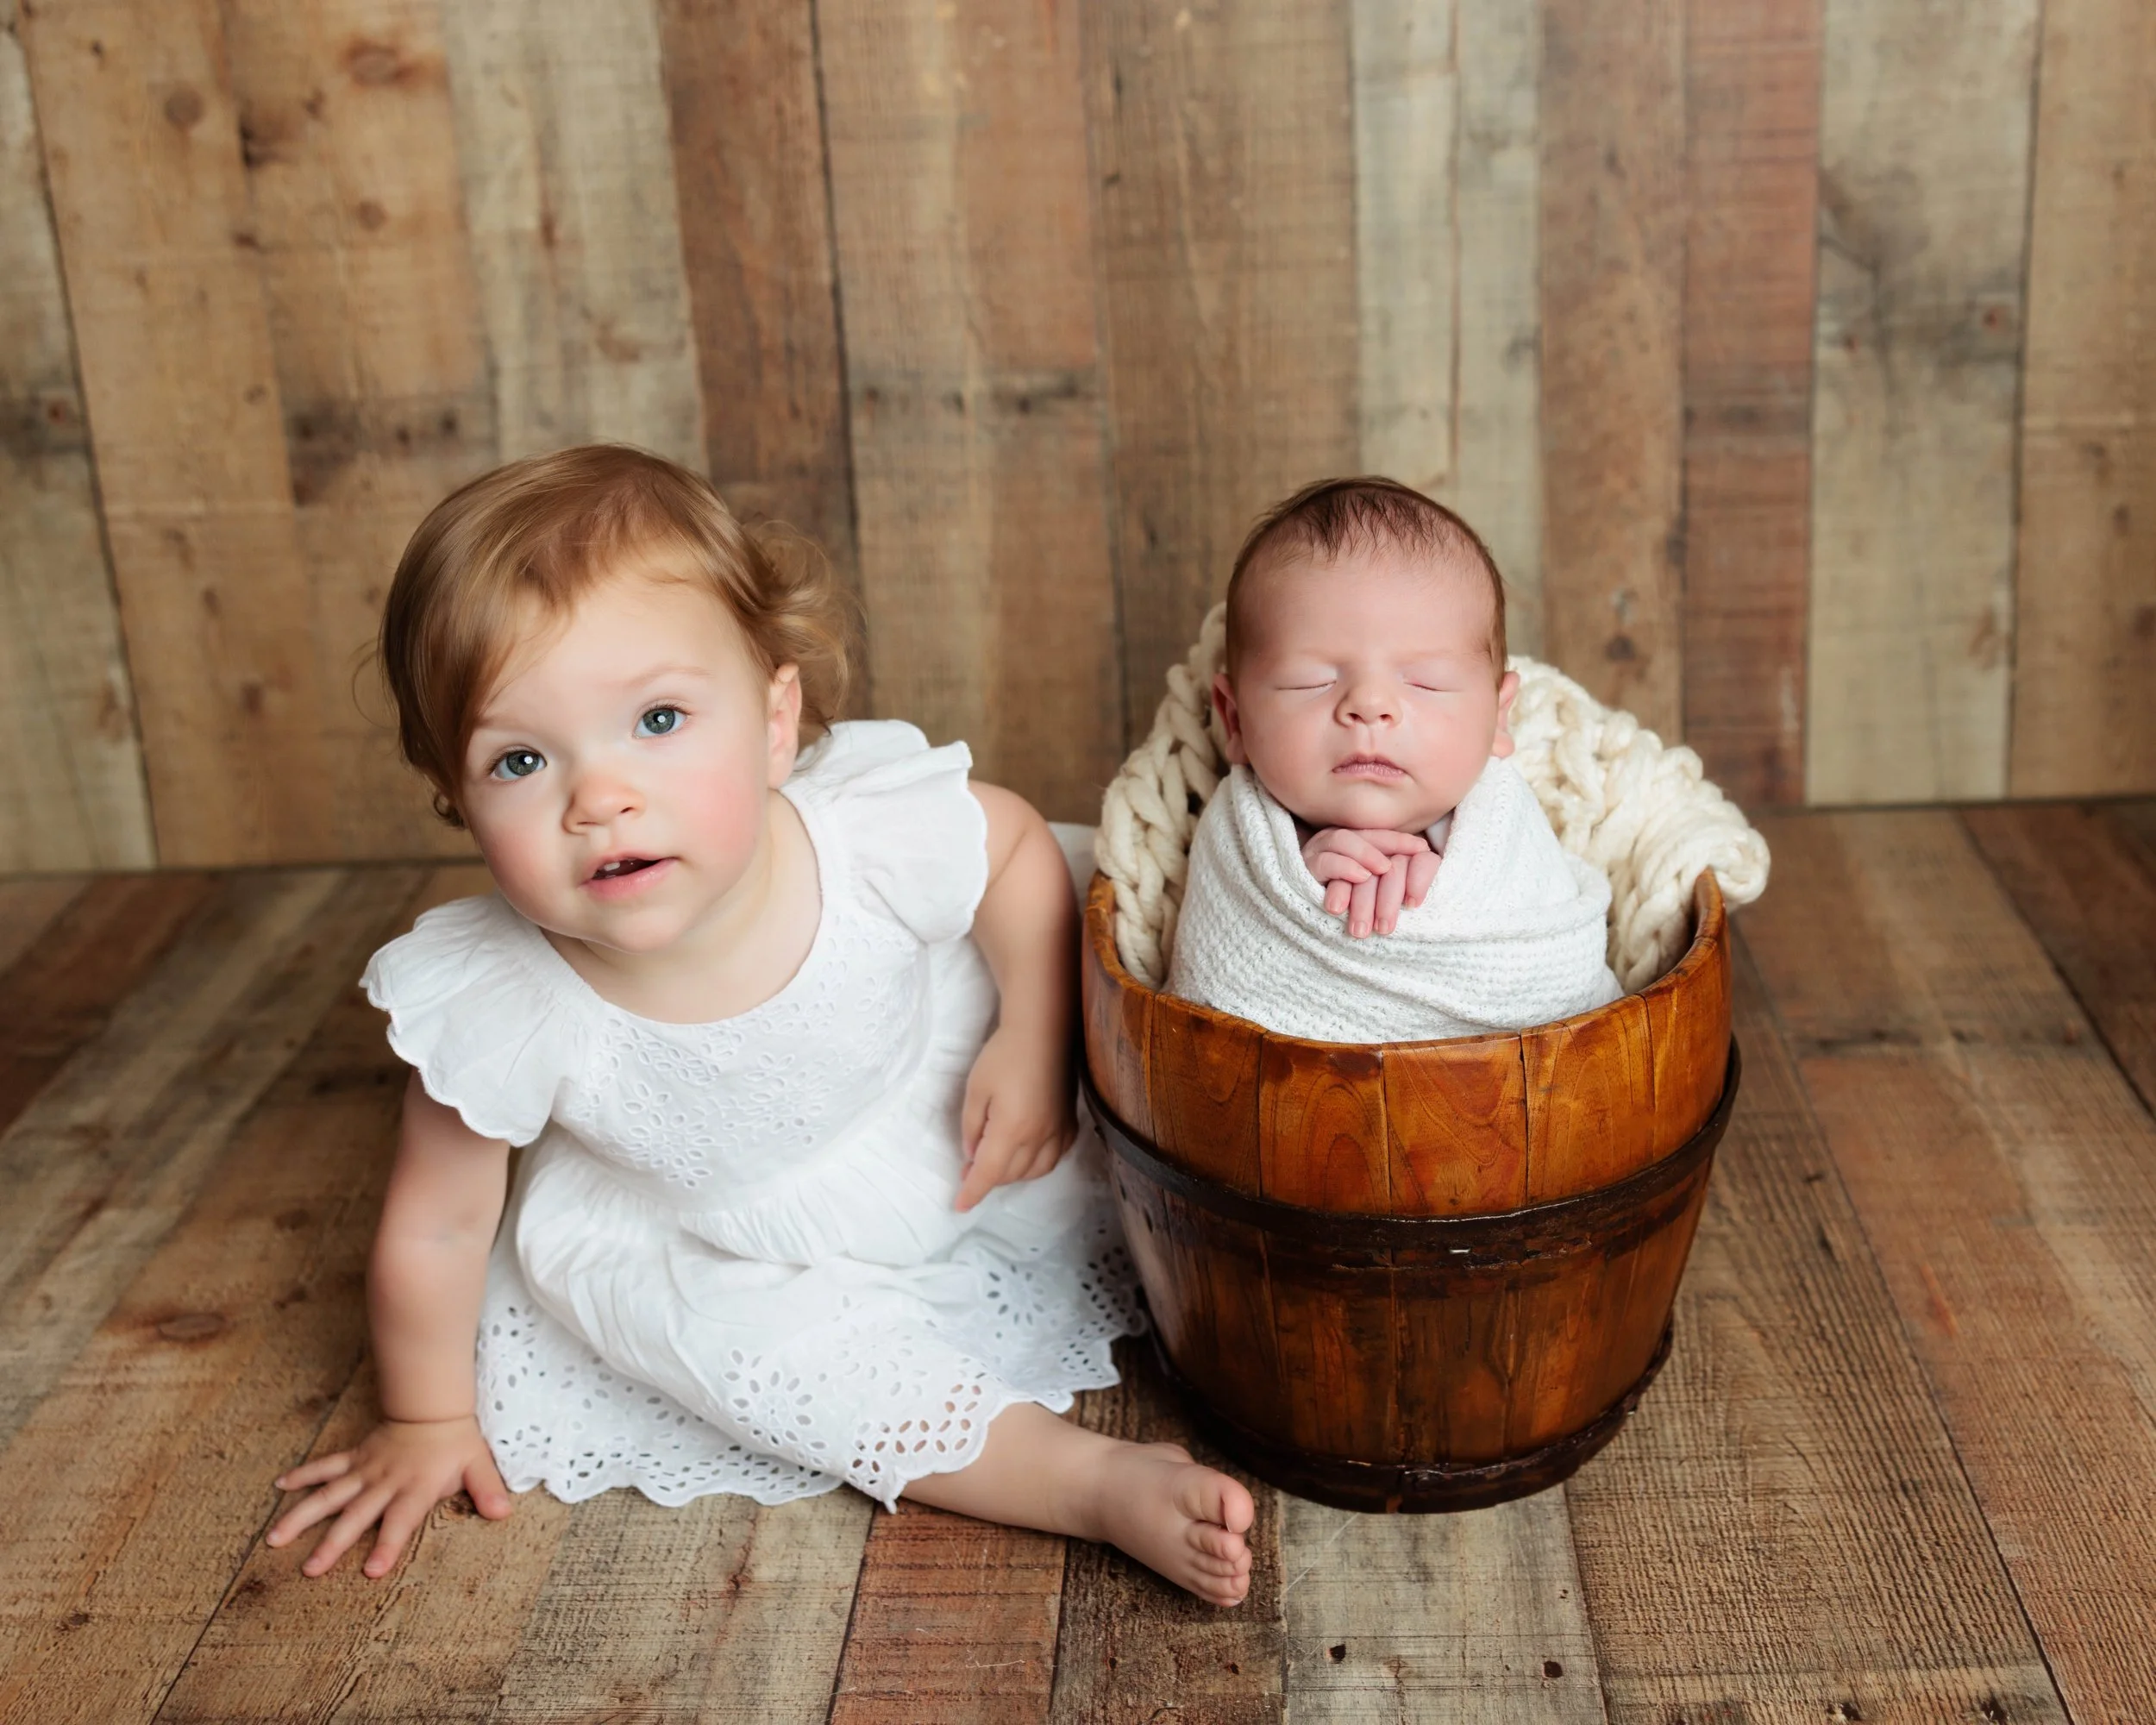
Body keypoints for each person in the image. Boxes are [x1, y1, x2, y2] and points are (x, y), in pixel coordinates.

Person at [265, 444, 1254, 1606]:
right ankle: (1088, 1484)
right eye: (520, 760)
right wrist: (426, 1415)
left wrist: (1032, 1048)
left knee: (1162, 1080)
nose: (599, 797)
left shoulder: (861, 837)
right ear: (456, 796)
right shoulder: (499, 997)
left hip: (941, 1111)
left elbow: (1016, 852)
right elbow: (434, 1230)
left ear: (776, 723)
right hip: (707, 1236)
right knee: (792, 1374)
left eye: (661, 718)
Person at [1167, 477, 1620, 1044]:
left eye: (1425, 683)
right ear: (1233, 720)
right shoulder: (1237, 833)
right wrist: (1304, 882)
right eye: (1313, 681)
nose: (1370, 707)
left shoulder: (1505, 827)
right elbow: (1214, 992)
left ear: (1499, 718)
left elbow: (1552, 969)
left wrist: (1443, 894)